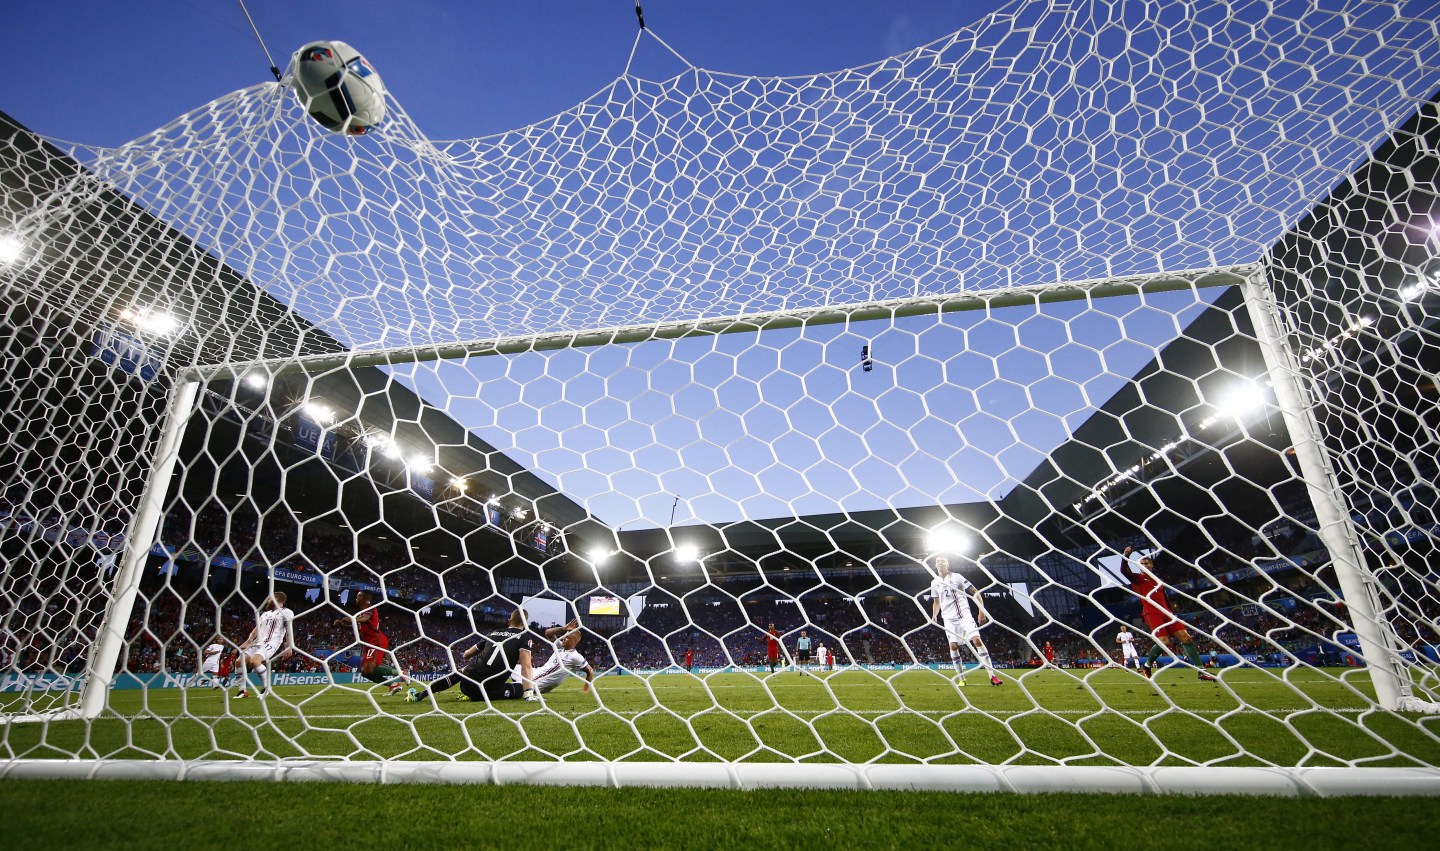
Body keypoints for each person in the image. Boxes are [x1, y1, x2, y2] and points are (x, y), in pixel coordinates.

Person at [1119, 546, 1217, 682]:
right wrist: (1126, 555)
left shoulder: (1158, 581)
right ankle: (1147, 666)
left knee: (1186, 638)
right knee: (1164, 642)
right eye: (1141, 564)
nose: (1144, 565)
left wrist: (1171, 610)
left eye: (1147, 563)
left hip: (1167, 613)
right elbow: (1124, 570)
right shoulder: (1138, 579)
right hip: (1152, 613)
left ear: (1152, 565)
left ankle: (1201, 671)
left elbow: (1164, 597)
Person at [406, 607, 535, 704]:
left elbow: (466, 654)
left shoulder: (493, 633)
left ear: (509, 621)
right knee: (519, 687)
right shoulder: (524, 637)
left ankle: (421, 694)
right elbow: (526, 666)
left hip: (468, 685)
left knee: (462, 671)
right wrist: (528, 693)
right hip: (488, 690)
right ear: (524, 624)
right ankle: (526, 693)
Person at [929, 556, 1003, 687]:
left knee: (976, 640)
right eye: (937, 562)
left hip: (964, 615)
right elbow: (936, 601)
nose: (940, 563)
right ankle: (961, 678)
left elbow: (975, 592)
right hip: (948, 619)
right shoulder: (934, 583)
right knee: (953, 646)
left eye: (943, 561)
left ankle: (993, 676)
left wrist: (981, 611)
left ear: (948, 564)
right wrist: (934, 615)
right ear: (935, 565)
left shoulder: (957, 577)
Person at [334, 589, 412, 696]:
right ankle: (393, 684)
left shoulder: (369, 607)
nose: (356, 598)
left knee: (369, 668)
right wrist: (343, 625)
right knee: (365, 672)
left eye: (358, 596)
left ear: (363, 597)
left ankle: (401, 673)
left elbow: (366, 618)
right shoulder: (362, 612)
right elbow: (359, 627)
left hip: (376, 640)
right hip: (369, 643)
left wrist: (353, 619)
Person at [235, 591, 296, 699]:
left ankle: (266, 688)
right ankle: (242, 691)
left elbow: (288, 629)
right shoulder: (265, 614)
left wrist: (289, 646)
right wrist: (249, 640)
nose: (267, 600)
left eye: (269, 598)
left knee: (254, 661)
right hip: (258, 642)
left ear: (276, 599)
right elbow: (256, 629)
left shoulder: (287, 612)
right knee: (239, 661)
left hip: (272, 642)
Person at [526, 625, 595, 699]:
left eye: (567, 638)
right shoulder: (559, 647)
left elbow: (590, 671)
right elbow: (547, 633)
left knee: (518, 687)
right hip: (535, 671)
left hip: (538, 681)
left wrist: (585, 689)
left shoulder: (575, 656)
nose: (564, 639)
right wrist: (564, 628)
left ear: (574, 641)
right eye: (565, 637)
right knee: (517, 667)